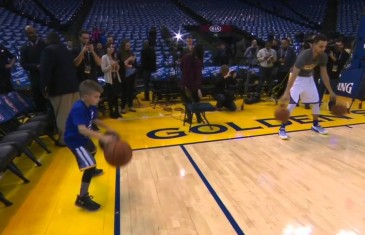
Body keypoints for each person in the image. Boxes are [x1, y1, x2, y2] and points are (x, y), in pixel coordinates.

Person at [64, 80, 117, 211]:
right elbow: (82, 129)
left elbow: (95, 119)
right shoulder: (78, 108)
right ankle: (82, 198)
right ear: (86, 96)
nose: (98, 99)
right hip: (75, 141)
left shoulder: (91, 105)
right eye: (96, 97)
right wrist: (103, 137)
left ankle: (91, 172)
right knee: (90, 165)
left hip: (83, 138)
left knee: (92, 150)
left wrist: (109, 128)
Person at [278, 34, 336, 140]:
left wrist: (331, 90)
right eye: (321, 46)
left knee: (316, 102)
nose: (323, 49)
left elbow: (324, 74)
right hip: (297, 78)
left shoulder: (323, 56)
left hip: (309, 78)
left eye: (325, 46)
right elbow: (294, 73)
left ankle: (315, 125)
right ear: (313, 45)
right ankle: (282, 128)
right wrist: (286, 92)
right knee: (292, 103)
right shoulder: (304, 55)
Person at [40, 32, 80, 146]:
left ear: (48, 39)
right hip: (73, 86)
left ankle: (64, 140)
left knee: (62, 115)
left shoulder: (48, 50)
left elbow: (45, 71)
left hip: (60, 89)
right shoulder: (66, 50)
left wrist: (44, 88)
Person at [20, 25, 48, 112]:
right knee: (39, 101)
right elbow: (23, 64)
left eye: (32, 32)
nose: (31, 35)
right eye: (28, 33)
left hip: (48, 76)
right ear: (26, 35)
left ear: (36, 32)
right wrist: (36, 66)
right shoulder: (24, 48)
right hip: (35, 78)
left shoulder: (45, 43)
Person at [318, 40, 349, 110]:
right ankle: (317, 104)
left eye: (339, 45)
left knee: (333, 92)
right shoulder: (328, 52)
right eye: (336, 45)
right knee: (320, 91)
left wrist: (332, 57)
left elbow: (340, 64)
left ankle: (331, 106)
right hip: (325, 75)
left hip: (334, 76)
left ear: (343, 45)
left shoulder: (345, 54)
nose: (337, 47)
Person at [180, 44, 204, 123]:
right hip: (194, 86)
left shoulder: (185, 57)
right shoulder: (198, 61)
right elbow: (198, 76)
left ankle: (189, 118)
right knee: (196, 102)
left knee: (187, 102)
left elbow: (181, 69)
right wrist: (198, 88)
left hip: (185, 83)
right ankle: (199, 118)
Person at [101, 43, 121, 118]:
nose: (111, 49)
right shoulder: (104, 57)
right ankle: (111, 112)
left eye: (112, 47)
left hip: (115, 77)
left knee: (116, 96)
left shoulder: (114, 56)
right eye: (109, 47)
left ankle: (116, 111)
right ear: (106, 49)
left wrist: (117, 66)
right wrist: (111, 65)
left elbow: (117, 69)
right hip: (109, 79)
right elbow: (103, 69)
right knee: (111, 96)